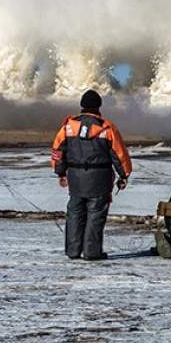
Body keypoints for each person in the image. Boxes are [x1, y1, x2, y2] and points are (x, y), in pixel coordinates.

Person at [50, 89, 133, 261]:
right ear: (99, 106)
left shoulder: (68, 127)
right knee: (95, 215)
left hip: (75, 177)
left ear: (82, 105)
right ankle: (92, 252)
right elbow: (119, 154)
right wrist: (124, 175)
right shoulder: (107, 128)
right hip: (99, 179)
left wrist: (60, 172)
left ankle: (73, 251)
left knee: (74, 213)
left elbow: (58, 150)